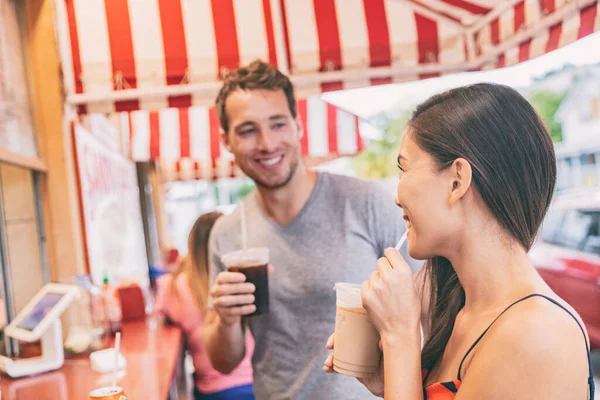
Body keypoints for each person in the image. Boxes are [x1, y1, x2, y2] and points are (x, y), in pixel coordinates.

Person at [324, 83, 595, 399]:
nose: (396, 196)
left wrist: (399, 336)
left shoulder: (534, 332)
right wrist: (394, 383)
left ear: (456, 181)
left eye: (404, 168)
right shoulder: (461, 310)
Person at [203, 60, 419, 400]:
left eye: (278, 124)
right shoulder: (227, 234)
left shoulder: (366, 203)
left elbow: (431, 310)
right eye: (247, 130)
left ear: (298, 126)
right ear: (226, 140)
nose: (267, 143)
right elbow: (224, 363)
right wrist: (226, 320)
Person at [156, 212, 255, 400]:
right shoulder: (244, 280)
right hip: (255, 385)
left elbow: (162, 324)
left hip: (213, 392)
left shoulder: (174, 286)